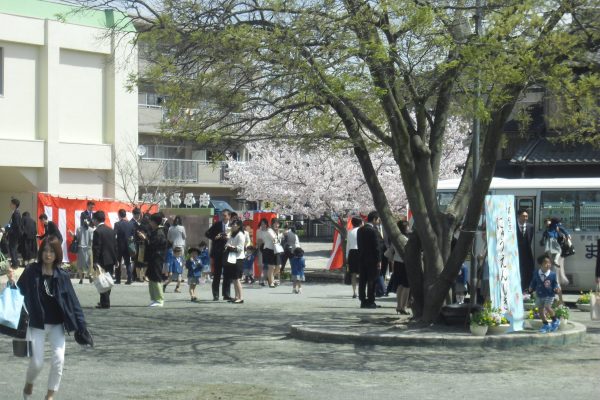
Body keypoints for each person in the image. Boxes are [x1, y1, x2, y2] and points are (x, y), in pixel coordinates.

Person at [16, 236, 90, 400]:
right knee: (37, 362)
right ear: (41, 252)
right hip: (36, 323)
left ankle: (49, 396)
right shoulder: (31, 271)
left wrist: (81, 325)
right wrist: (11, 284)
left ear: (57, 254)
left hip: (57, 324)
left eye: (51, 251)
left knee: (58, 360)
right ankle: (29, 383)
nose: (48, 254)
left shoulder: (62, 275)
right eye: (45, 251)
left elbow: (73, 301)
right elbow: (18, 292)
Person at [529, 254, 562, 333]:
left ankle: (555, 320)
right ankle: (546, 324)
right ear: (541, 264)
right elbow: (534, 281)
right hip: (539, 294)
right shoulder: (536, 273)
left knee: (547, 307)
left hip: (550, 294)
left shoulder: (552, 274)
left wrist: (556, 287)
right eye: (546, 263)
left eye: (549, 263)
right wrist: (531, 287)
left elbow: (555, 283)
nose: (548, 265)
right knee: (540, 310)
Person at [357, 211, 383, 309]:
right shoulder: (373, 230)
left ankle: (363, 300)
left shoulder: (360, 230)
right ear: (374, 219)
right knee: (372, 280)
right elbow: (377, 247)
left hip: (362, 258)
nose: (379, 221)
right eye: (378, 219)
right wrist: (379, 260)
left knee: (363, 280)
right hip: (372, 260)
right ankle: (371, 300)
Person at [92, 211, 117, 309]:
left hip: (101, 260)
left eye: (93, 219)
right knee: (108, 280)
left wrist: (95, 261)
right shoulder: (111, 230)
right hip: (110, 259)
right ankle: (104, 301)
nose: (93, 221)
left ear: (96, 220)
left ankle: (105, 303)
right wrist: (116, 259)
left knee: (102, 280)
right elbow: (115, 246)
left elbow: (96, 248)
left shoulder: (97, 231)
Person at [205, 209, 232, 301]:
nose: (223, 217)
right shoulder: (217, 224)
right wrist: (215, 237)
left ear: (229, 216)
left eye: (225, 215)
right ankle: (215, 295)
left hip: (228, 252)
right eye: (222, 215)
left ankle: (226, 294)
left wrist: (229, 237)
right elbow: (207, 233)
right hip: (217, 252)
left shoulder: (232, 226)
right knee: (217, 274)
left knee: (227, 274)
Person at [142, 213, 168, 306]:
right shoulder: (155, 231)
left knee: (156, 278)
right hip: (153, 258)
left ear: (154, 222)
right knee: (152, 278)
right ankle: (154, 298)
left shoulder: (159, 232)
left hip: (157, 258)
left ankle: (159, 299)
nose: (149, 222)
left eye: (151, 221)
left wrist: (145, 239)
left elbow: (153, 245)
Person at [540, 217, 571, 286]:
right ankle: (554, 282)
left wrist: (542, 241)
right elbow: (563, 230)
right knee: (558, 252)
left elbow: (543, 236)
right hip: (553, 241)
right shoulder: (555, 226)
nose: (547, 223)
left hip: (548, 244)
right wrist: (568, 235)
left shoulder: (548, 228)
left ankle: (553, 282)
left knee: (551, 262)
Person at [389, 220, 411, 314]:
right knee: (407, 285)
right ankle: (403, 306)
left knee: (400, 285)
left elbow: (391, 250)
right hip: (406, 263)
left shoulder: (396, 238)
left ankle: (398, 305)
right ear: (406, 227)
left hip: (397, 262)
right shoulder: (407, 238)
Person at [223, 219, 245, 303]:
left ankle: (241, 297)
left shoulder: (240, 235)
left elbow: (240, 248)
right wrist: (228, 246)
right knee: (234, 279)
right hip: (232, 258)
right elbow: (227, 244)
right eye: (232, 225)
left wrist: (231, 247)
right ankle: (236, 296)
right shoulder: (233, 234)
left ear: (238, 226)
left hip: (238, 258)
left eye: (234, 225)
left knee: (237, 279)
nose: (232, 226)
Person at [516, 209, 535, 292]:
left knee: (527, 272)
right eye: (524, 216)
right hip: (515, 254)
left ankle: (525, 289)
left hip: (527, 254)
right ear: (519, 216)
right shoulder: (512, 226)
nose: (525, 218)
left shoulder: (531, 227)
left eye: (526, 216)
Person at [114, 209, 134, 285]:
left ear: (119, 215)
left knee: (117, 262)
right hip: (128, 246)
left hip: (119, 246)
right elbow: (133, 236)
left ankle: (118, 279)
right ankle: (129, 278)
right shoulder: (131, 224)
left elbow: (115, 236)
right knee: (128, 262)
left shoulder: (117, 224)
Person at [346, 217, 363, 299]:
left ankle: (354, 292)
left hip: (351, 252)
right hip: (360, 252)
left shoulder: (349, 232)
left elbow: (347, 246)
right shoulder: (362, 231)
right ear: (360, 223)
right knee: (362, 273)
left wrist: (346, 256)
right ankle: (361, 291)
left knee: (353, 274)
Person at [131, 208, 149, 282]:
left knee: (141, 262)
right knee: (139, 262)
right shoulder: (132, 223)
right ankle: (140, 276)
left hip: (142, 245)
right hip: (139, 245)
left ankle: (141, 276)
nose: (139, 216)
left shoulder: (141, 224)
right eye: (137, 214)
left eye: (139, 214)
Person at [7, 198, 23, 269]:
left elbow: (15, 224)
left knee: (12, 248)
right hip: (14, 234)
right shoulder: (15, 212)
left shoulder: (16, 213)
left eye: (11, 203)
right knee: (13, 248)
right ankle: (15, 262)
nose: (10, 205)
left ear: (14, 205)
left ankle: (15, 264)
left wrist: (8, 228)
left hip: (14, 234)